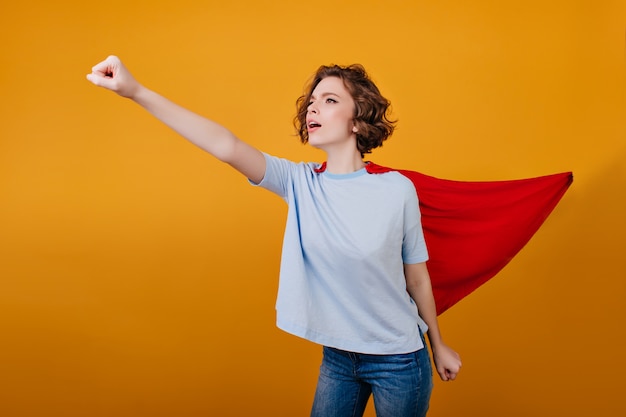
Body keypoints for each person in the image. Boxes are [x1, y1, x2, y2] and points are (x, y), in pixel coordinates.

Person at [86, 55, 462, 417]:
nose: (313, 108)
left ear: (357, 122)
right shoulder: (300, 183)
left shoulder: (397, 190)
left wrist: (438, 346)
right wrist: (136, 92)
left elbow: (416, 278)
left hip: (398, 360)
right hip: (339, 357)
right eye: (312, 101)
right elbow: (225, 145)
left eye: (329, 100)